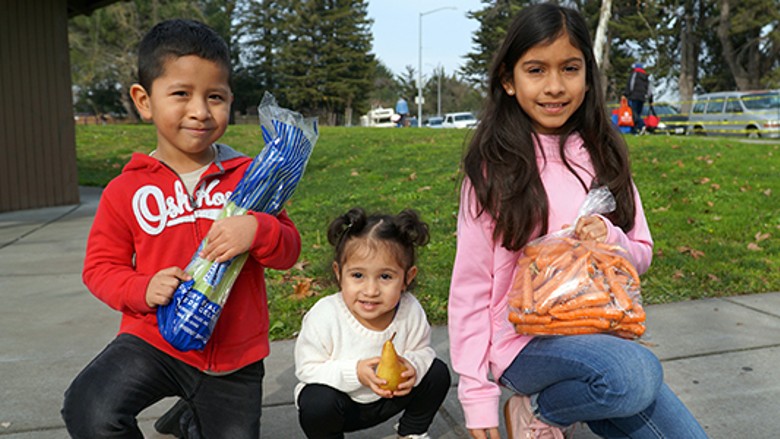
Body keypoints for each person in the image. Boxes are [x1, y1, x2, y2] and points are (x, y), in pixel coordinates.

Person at [448, 4, 708, 439]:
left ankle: (557, 408)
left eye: (569, 68)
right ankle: (541, 407)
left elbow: (641, 252)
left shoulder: (605, 155)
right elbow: (470, 289)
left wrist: (609, 237)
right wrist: (476, 398)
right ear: (509, 80)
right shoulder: (493, 171)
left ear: (588, 76)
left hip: (599, 336)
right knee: (635, 374)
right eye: (536, 70)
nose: (554, 86)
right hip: (521, 347)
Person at [60, 19, 302, 439]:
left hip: (234, 357)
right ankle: (191, 409)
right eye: (180, 94)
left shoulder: (252, 178)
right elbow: (100, 268)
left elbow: (289, 250)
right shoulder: (125, 190)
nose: (200, 111)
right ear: (144, 100)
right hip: (154, 341)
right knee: (89, 407)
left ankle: (193, 416)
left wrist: (258, 230)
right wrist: (143, 288)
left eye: (215, 97)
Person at [294, 208, 451, 439]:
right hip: (343, 404)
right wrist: (355, 373)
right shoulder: (325, 316)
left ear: (407, 277)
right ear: (339, 273)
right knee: (315, 401)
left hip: (391, 396)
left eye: (385, 277)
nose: (371, 291)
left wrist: (413, 367)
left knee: (437, 373)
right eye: (358, 275)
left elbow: (422, 351)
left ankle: (412, 432)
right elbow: (307, 369)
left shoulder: (410, 311)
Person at [624, 62, 652, 134]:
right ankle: (634, 131)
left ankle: (642, 125)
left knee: (634, 114)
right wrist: (650, 99)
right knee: (638, 113)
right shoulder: (646, 76)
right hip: (642, 97)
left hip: (633, 97)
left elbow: (631, 85)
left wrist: (626, 94)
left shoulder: (634, 74)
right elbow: (649, 89)